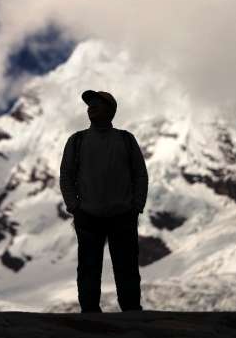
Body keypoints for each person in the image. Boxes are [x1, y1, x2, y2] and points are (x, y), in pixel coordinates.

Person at [59, 90, 149, 313]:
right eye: (90, 104)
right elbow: (66, 176)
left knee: (126, 268)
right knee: (89, 268)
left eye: (96, 104)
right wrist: (75, 207)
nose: (91, 107)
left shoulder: (126, 139)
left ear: (110, 110)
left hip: (122, 216)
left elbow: (140, 174)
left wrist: (136, 206)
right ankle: (90, 313)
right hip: (88, 216)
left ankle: (130, 312)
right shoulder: (76, 141)